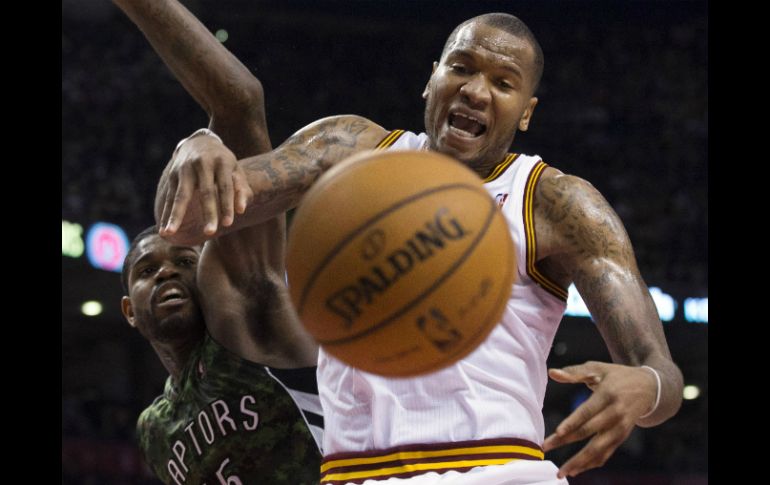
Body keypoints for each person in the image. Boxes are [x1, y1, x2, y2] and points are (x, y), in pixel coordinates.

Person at [156, 12, 684, 484]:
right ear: (431, 79)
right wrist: (199, 146)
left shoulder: (554, 202)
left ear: (526, 112)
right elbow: (187, 220)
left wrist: (646, 386)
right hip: (351, 472)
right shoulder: (349, 150)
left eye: (503, 83)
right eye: (461, 68)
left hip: (498, 470)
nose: (476, 91)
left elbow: (660, 372)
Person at [113, 0, 322, 483]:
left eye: (185, 263)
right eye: (147, 271)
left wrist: (203, 139)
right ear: (129, 310)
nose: (166, 271)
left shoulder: (249, 322)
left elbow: (240, 101)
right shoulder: (154, 429)